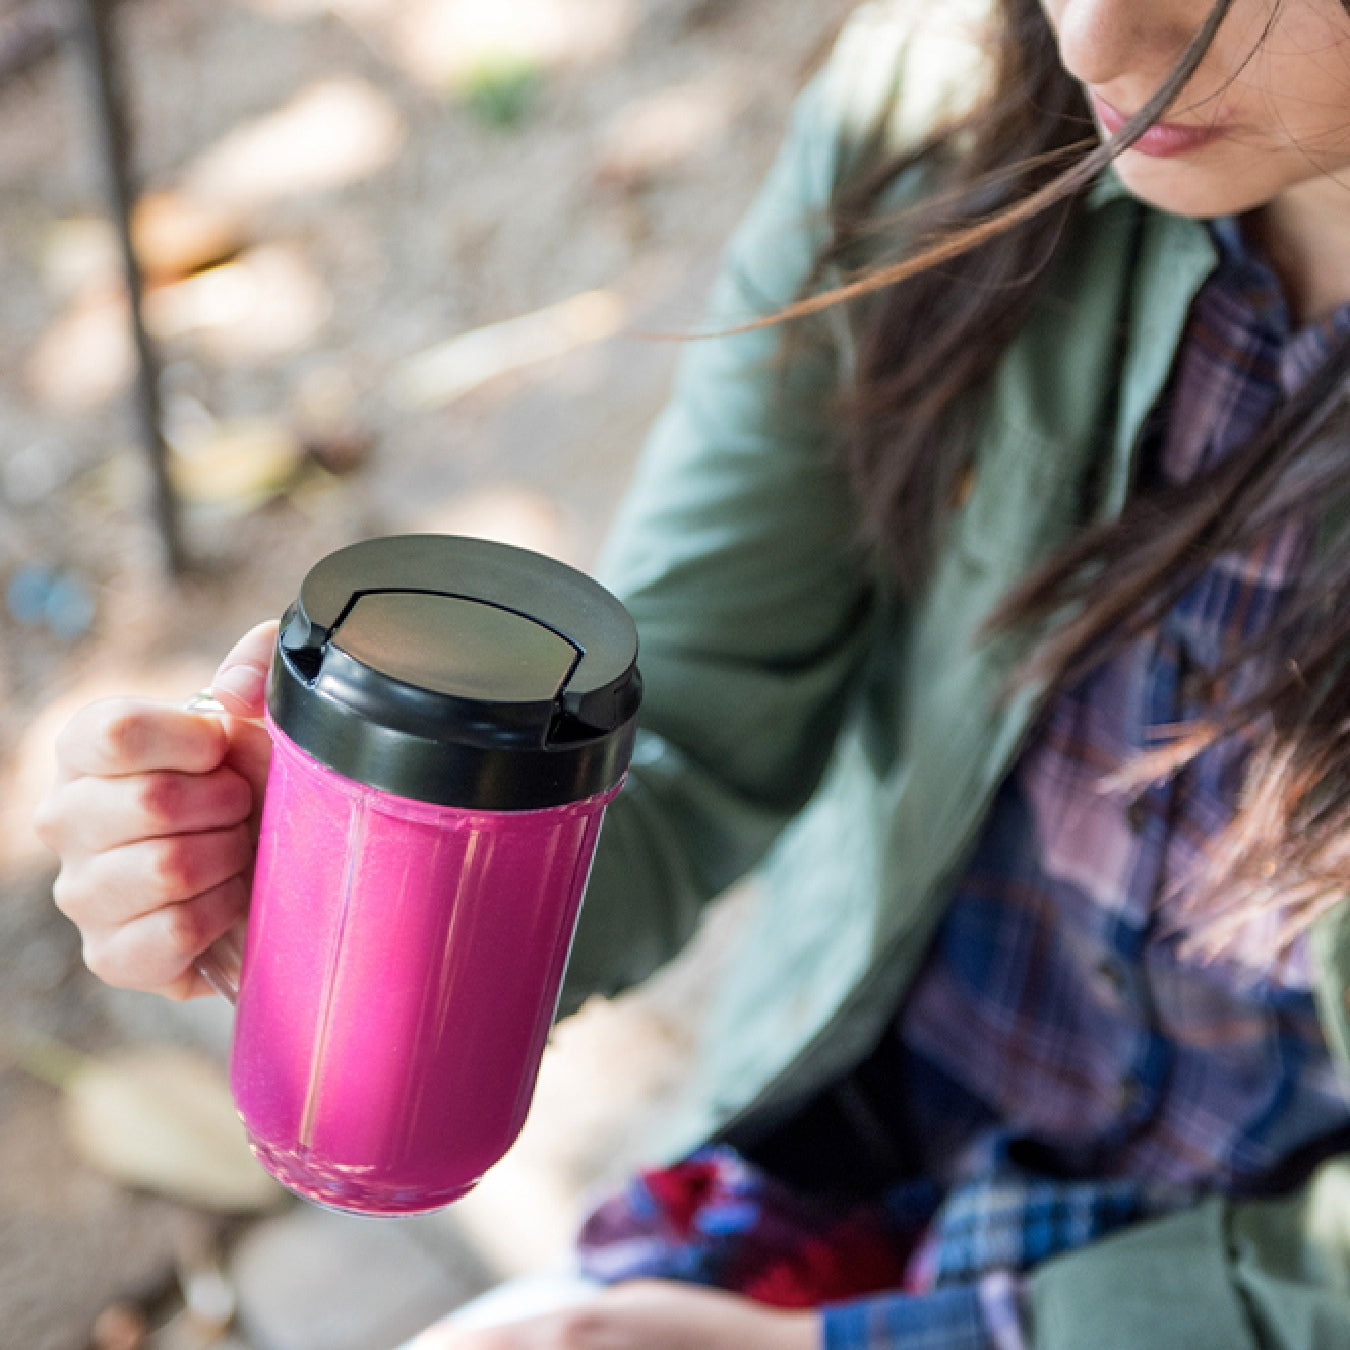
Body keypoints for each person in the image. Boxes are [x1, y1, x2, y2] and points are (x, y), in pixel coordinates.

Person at [34, 0, 1350, 1344]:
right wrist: (350, 877)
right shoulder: (948, 103)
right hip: (865, 1158)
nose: (1091, 42)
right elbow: (692, 719)